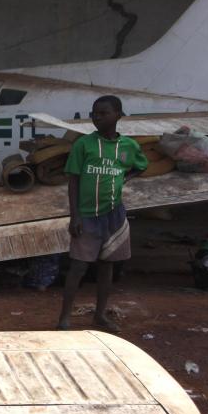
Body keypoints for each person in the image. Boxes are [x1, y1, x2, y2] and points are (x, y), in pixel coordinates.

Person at [57, 95, 148, 332]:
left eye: (103, 113)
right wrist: (74, 216)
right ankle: (64, 317)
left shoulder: (128, 146)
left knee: (107, 265)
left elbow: (140, 165)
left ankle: (100, 315)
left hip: (114, 214)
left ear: (118, 115)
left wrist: (122, 179)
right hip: (87, 215)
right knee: (78, 266)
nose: (97, 117)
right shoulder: (83, 145)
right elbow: (73, 182)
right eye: (94, 113)